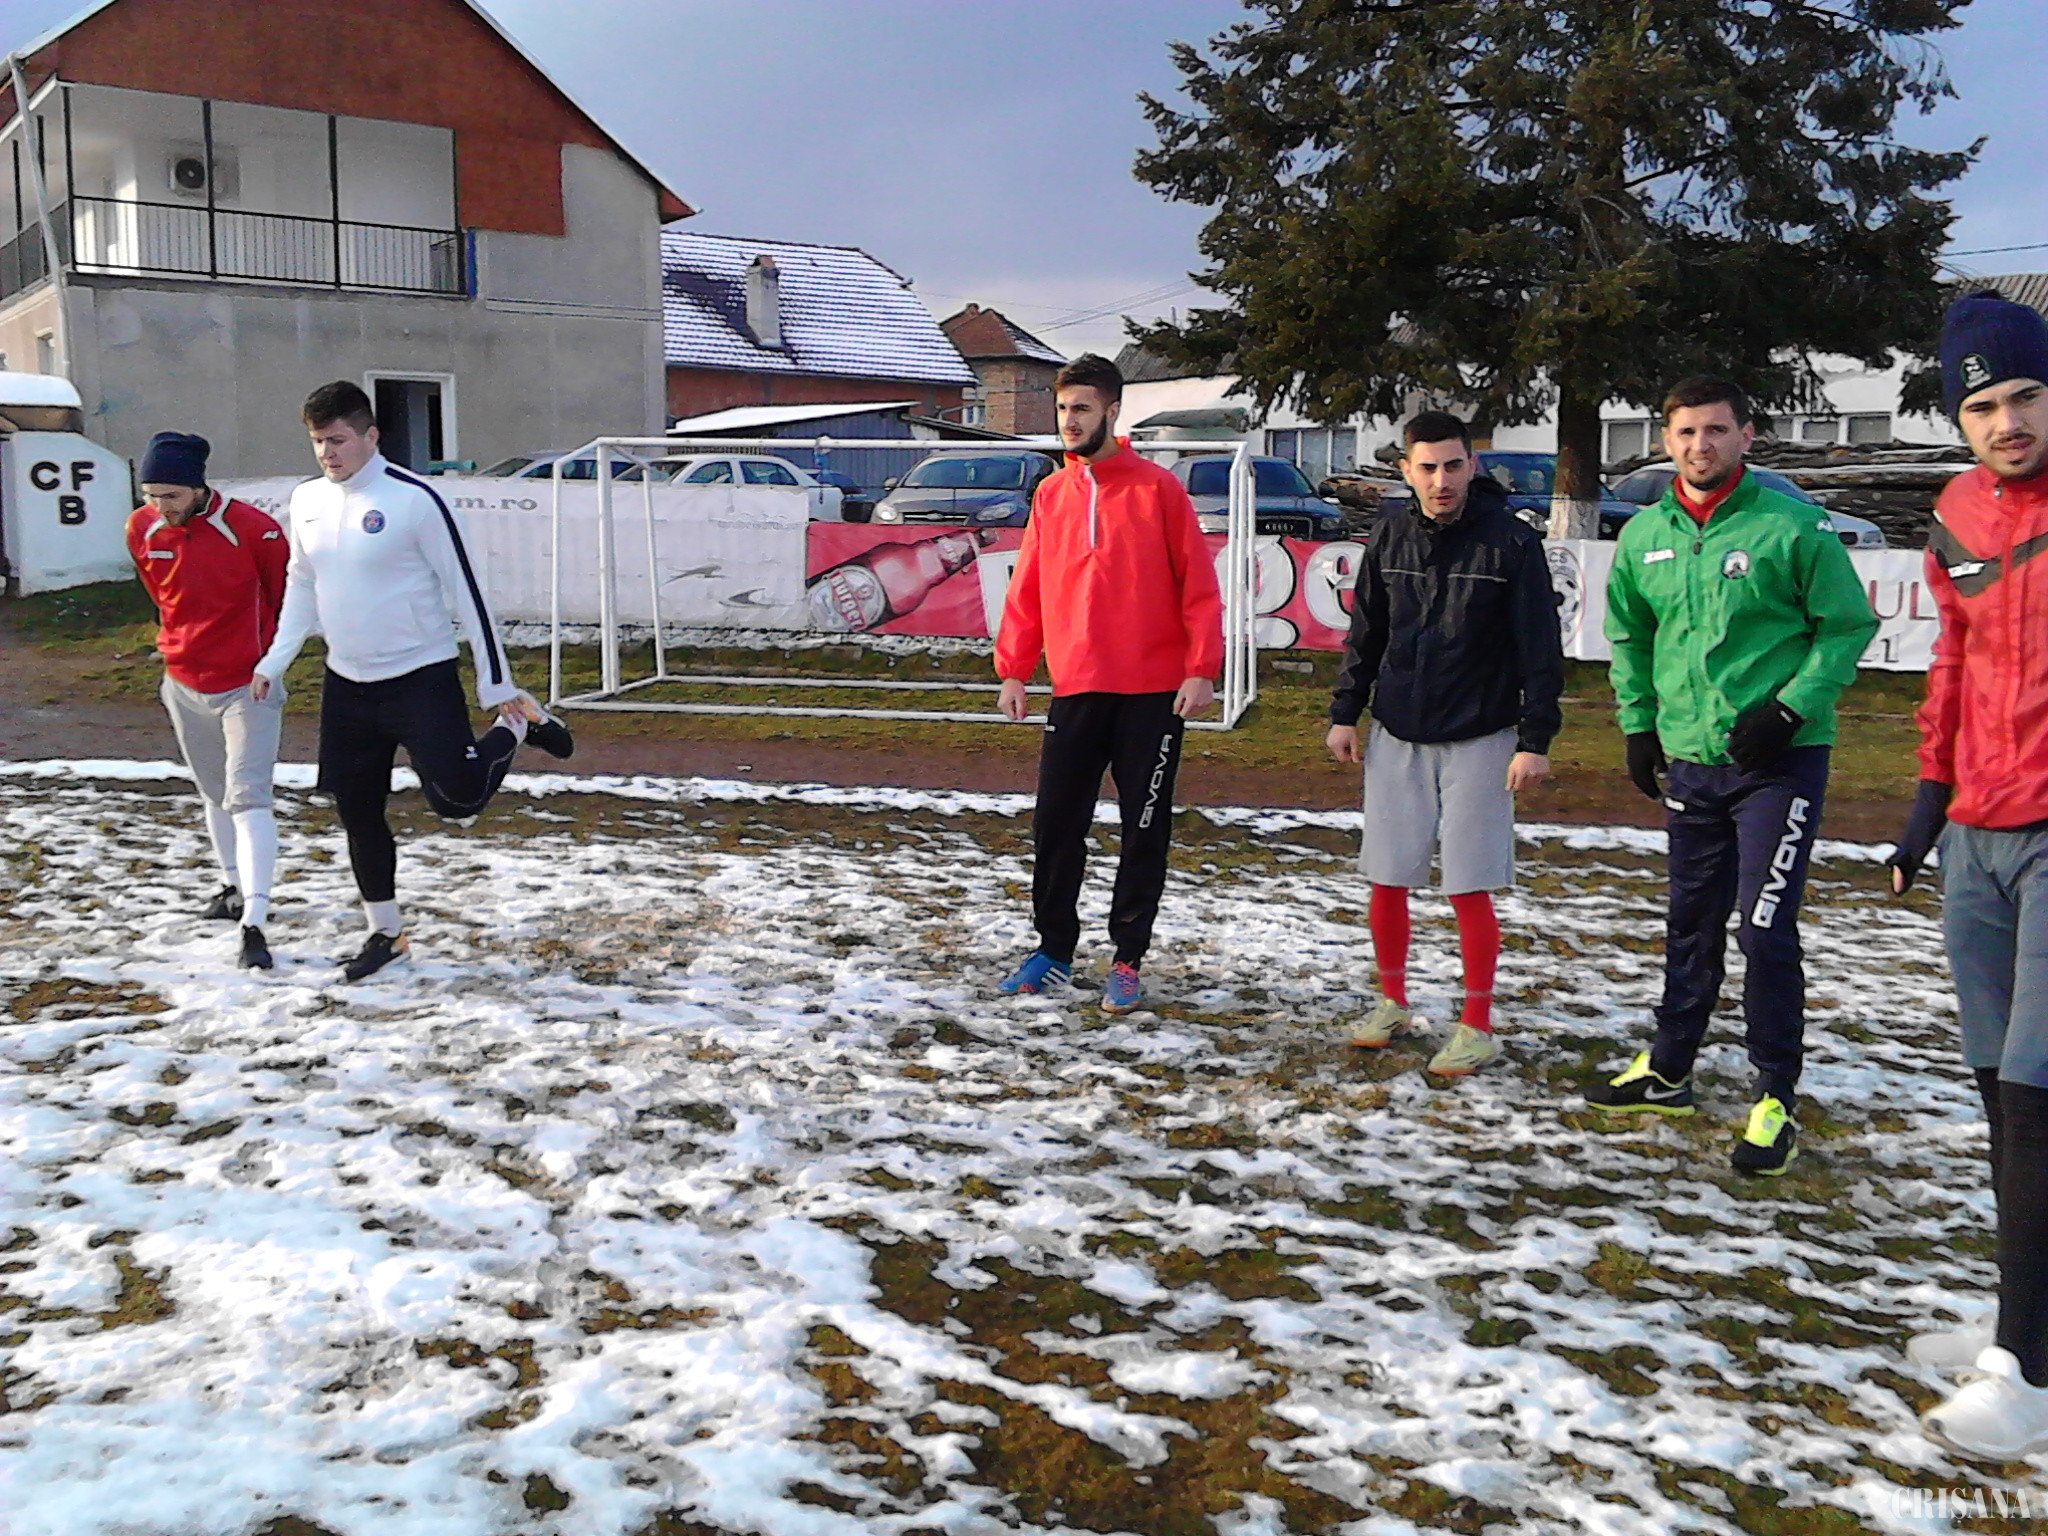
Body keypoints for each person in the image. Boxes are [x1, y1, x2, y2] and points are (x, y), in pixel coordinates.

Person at [1586, 375, 1876, 1175]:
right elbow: (1630, 636)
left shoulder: (1792, 526)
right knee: (1690, 919)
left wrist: (1789, 709)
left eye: (1716, 430)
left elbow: (1847, 626)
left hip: (1778, 766)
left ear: (1747, 436)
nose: (1700, 446)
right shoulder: (1645, 535)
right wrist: (1638, 725)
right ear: (1666, 440)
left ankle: (1774, 1093)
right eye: (1685, 432)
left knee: (1764, 928)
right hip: (1690, 761)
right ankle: (1670, 1068)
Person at [253, 382, 574, 982]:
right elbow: (302, 584)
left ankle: (515, 723)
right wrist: (274, 662)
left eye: (338, 440)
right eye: (318, 442)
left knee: (457, 802)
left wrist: (495, 684)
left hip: (418, 676)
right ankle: (387, 934)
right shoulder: (307, 500)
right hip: (348, 683)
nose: (327, 453)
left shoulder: (415, 500)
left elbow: (467, 594)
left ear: (371, 436)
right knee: (357, 811)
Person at [1887, 292, 2048, 1461]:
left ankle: (2025, 1375)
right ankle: (2019, 1322)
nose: (2006, 422)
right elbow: (1951, 664)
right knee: (2000, 1093)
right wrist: (1922, 807)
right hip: (1972, 836)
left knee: (2037, 1096)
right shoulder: (1952, 515)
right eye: (1981, 406)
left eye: (2025, 397)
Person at [1325, 411, 1564, 1077]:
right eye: (1427, 468)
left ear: (1472, 466)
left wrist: (1535, 739)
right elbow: (1366, 632)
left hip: (1482, 735)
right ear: (1406, 471)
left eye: (1453, 466)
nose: (1441, 481)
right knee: (1387, 876)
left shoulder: (1511, 542)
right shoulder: (1390, 534)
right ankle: (1392, 1002)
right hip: (1397, 729)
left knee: (1469, 883)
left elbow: (1540, 648)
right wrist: (1346, 712)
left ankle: (1477, 1024)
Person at [992, 353, 1222, 1013]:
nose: (1070, 421)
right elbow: (1029, 586)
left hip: (1152, 693)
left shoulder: (1158, 490)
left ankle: (1127, 958)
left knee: (1143, 828)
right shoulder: (1051, 494)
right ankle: (1053, 950)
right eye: (1063, 408)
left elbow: (1198, 583)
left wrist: (1200, 667)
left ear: (1112, 412)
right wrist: (1015, 668)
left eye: (1082, 409)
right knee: (1056, 823)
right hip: (1077, 686)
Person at [125, 432, 289, 971]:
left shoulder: (254, 529)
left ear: (198, 488)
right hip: (183, 681)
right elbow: (162, 594)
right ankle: (231, 887)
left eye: (171, 495)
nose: (160, 506)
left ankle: (255, 922)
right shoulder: (141, 527)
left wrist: (270, 664)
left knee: (248, 797)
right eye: (151, 494)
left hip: (247, 683)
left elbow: (285, 600)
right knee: (214, 793)